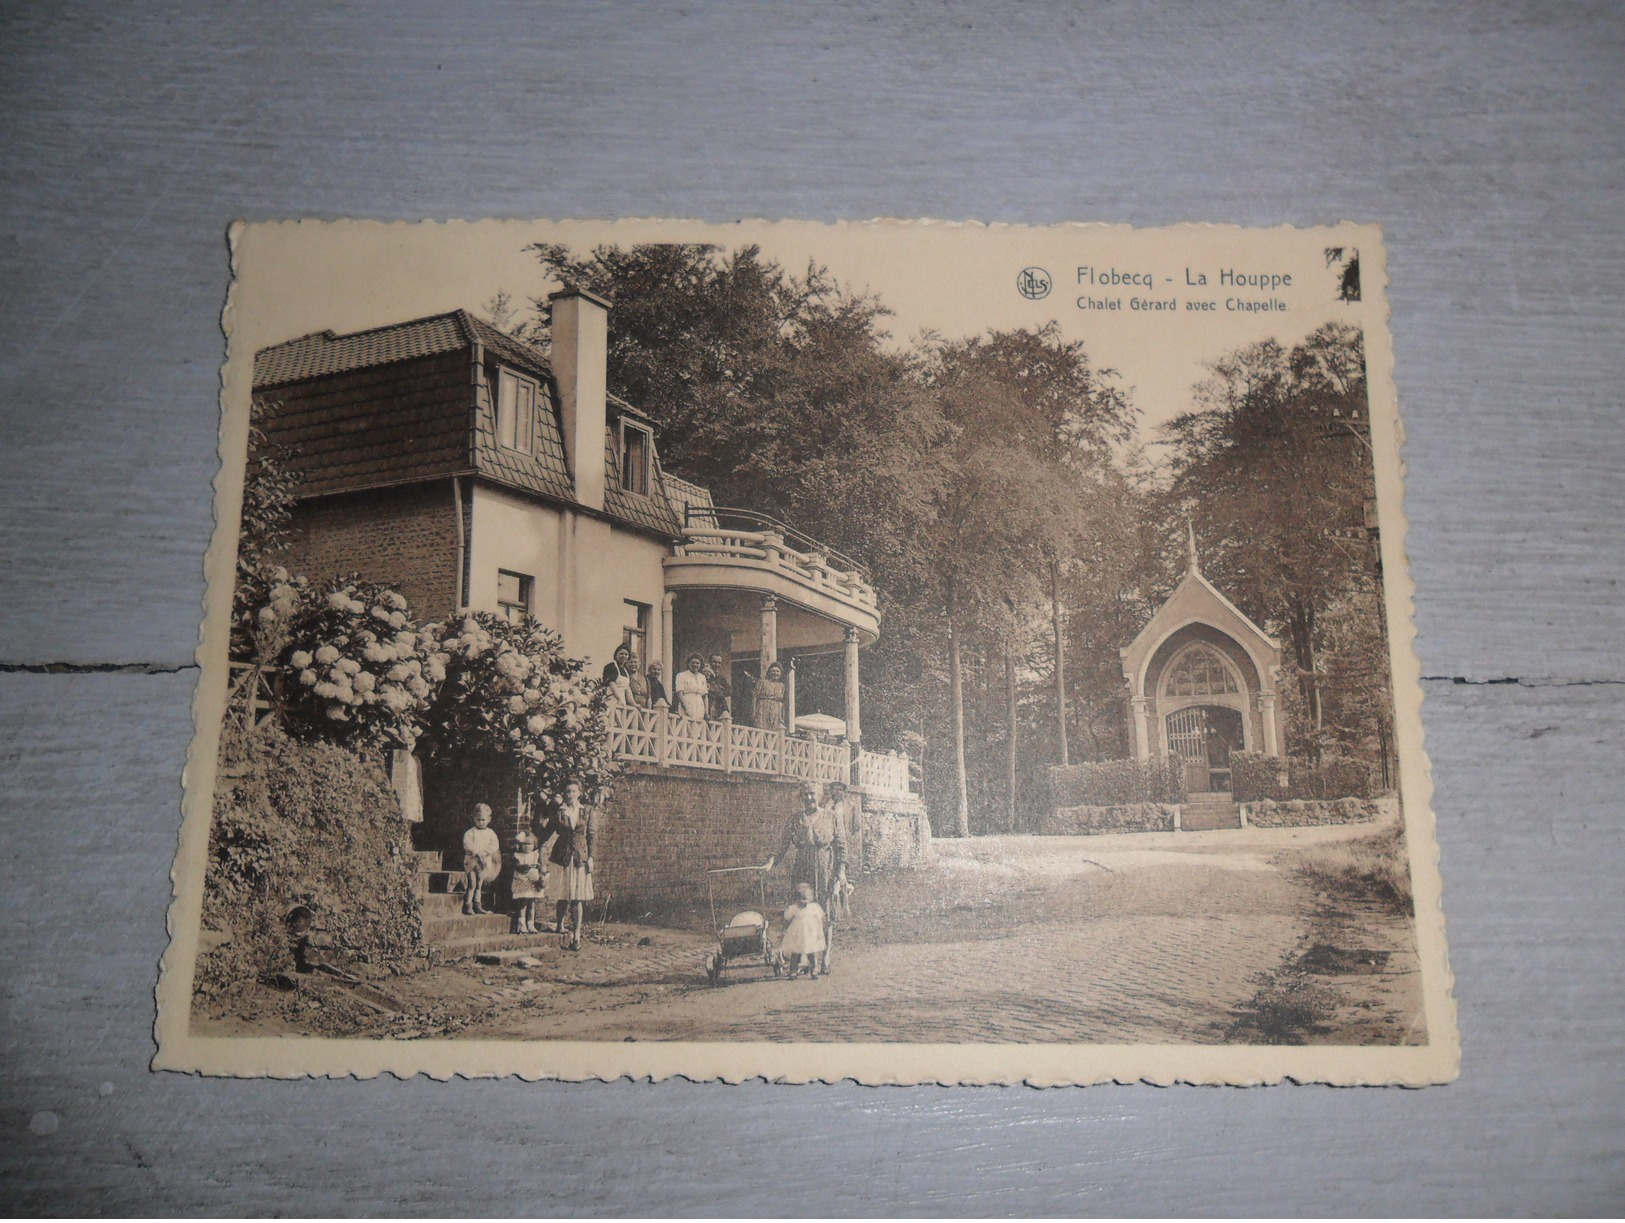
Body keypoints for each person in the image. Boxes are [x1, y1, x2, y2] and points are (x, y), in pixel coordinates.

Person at [764, 782, 846, 975]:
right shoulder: (795, 820)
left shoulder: (831, 817)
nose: (809, 798)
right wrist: (770, 862)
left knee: (824, 914)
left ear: (819, 795)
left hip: (825, 869)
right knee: (801, 915)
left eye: (812, 794)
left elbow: (842, 847)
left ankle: (824, 957)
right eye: (805, 795)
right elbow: (782, 844)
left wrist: (841, 872)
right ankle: (802, 957)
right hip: (802, 870)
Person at [538, 781, 596, 951]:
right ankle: (560, 926)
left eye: (573, 791)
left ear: (580, 793)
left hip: (579, 857)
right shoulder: (559, 812)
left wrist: (591, 857)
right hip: (561, 856)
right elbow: (547, 832)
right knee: (562, 895)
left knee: (577, 897)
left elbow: (592, 836)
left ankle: (576, 934)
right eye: (567, 792)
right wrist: (534, 843)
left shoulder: (587, 811)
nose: (570, 795)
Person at [779, 881, 827, 980]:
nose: (803, 902)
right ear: (797, 899)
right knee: (795, 953)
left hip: (810, 934)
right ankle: (793, 970)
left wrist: (819, 932)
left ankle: (814, 970)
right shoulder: (795, 907)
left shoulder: (814, 907)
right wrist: (788, 909)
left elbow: (820, 918)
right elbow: (787, 916)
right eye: (801, 898)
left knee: (812, 953)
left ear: (811, 898)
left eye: (806, 898)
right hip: (797, 934)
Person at [461, 803, 501, 916]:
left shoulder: (490, 833)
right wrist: (476, 852)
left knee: (479, 883)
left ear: (489, 819)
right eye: (478, 820)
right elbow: (467, 844)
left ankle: (477, 904)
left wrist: (486, 852)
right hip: (472, 861)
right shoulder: (470, 832)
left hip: (484, 861)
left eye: (483, 820)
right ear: (474, 819)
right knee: (472, 882)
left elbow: (494, 845)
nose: (481, 822)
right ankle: (468, 904)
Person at [508, 828, 544, 934]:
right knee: (523, 902)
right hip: (522, 880)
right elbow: (515, 866)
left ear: (534, 845)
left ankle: (530, 923)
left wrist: (541, 876)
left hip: (533, 881)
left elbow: (541, 868)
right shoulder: (518, 856)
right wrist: (522, 866)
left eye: (529, 844)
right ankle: (521, 923)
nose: (526, 847)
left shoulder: (535, 855)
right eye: (524, 844)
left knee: (532, 903)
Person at [753, 660, 787, 731]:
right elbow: (755, 697)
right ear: (769, 672)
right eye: (773, 671)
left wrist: (781, 716)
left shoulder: (781, 686)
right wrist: (754, 712)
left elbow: (781, 702)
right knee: (762, 728)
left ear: (780, 673)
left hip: (776, 710)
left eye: (777, 671)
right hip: (763, 707)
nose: (775, 673)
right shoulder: (762, 682)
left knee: (775, 729)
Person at [674, 654, 708, 721]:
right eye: (693, 663)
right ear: (688, 664)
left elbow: (705, 696)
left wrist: (706, 712)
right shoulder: (681, 675)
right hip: (686, 705)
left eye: (697, 663)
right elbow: (679, 694)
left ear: (700, 665)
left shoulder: (702, 677)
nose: (695, 665)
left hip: (699, 707)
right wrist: (686, 708)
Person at [706, 653, 732, 720]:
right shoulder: (705, 675)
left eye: (719, 663)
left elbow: (729, 691)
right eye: (714, 662)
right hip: (708, 704)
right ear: (710, 662)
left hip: (720, 705)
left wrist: (719, 691)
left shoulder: (721, 677)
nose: (717, 665)